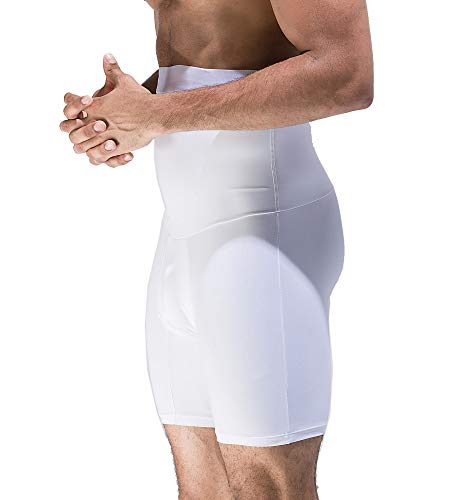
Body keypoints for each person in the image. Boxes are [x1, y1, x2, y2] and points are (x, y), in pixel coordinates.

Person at [59, 0, 373, 498]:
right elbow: (215, 48)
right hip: (182, 237)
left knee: (268, 488)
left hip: (263, 231)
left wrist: (158, 114)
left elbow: (348, 73)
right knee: (201, 489)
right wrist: (127, 112)